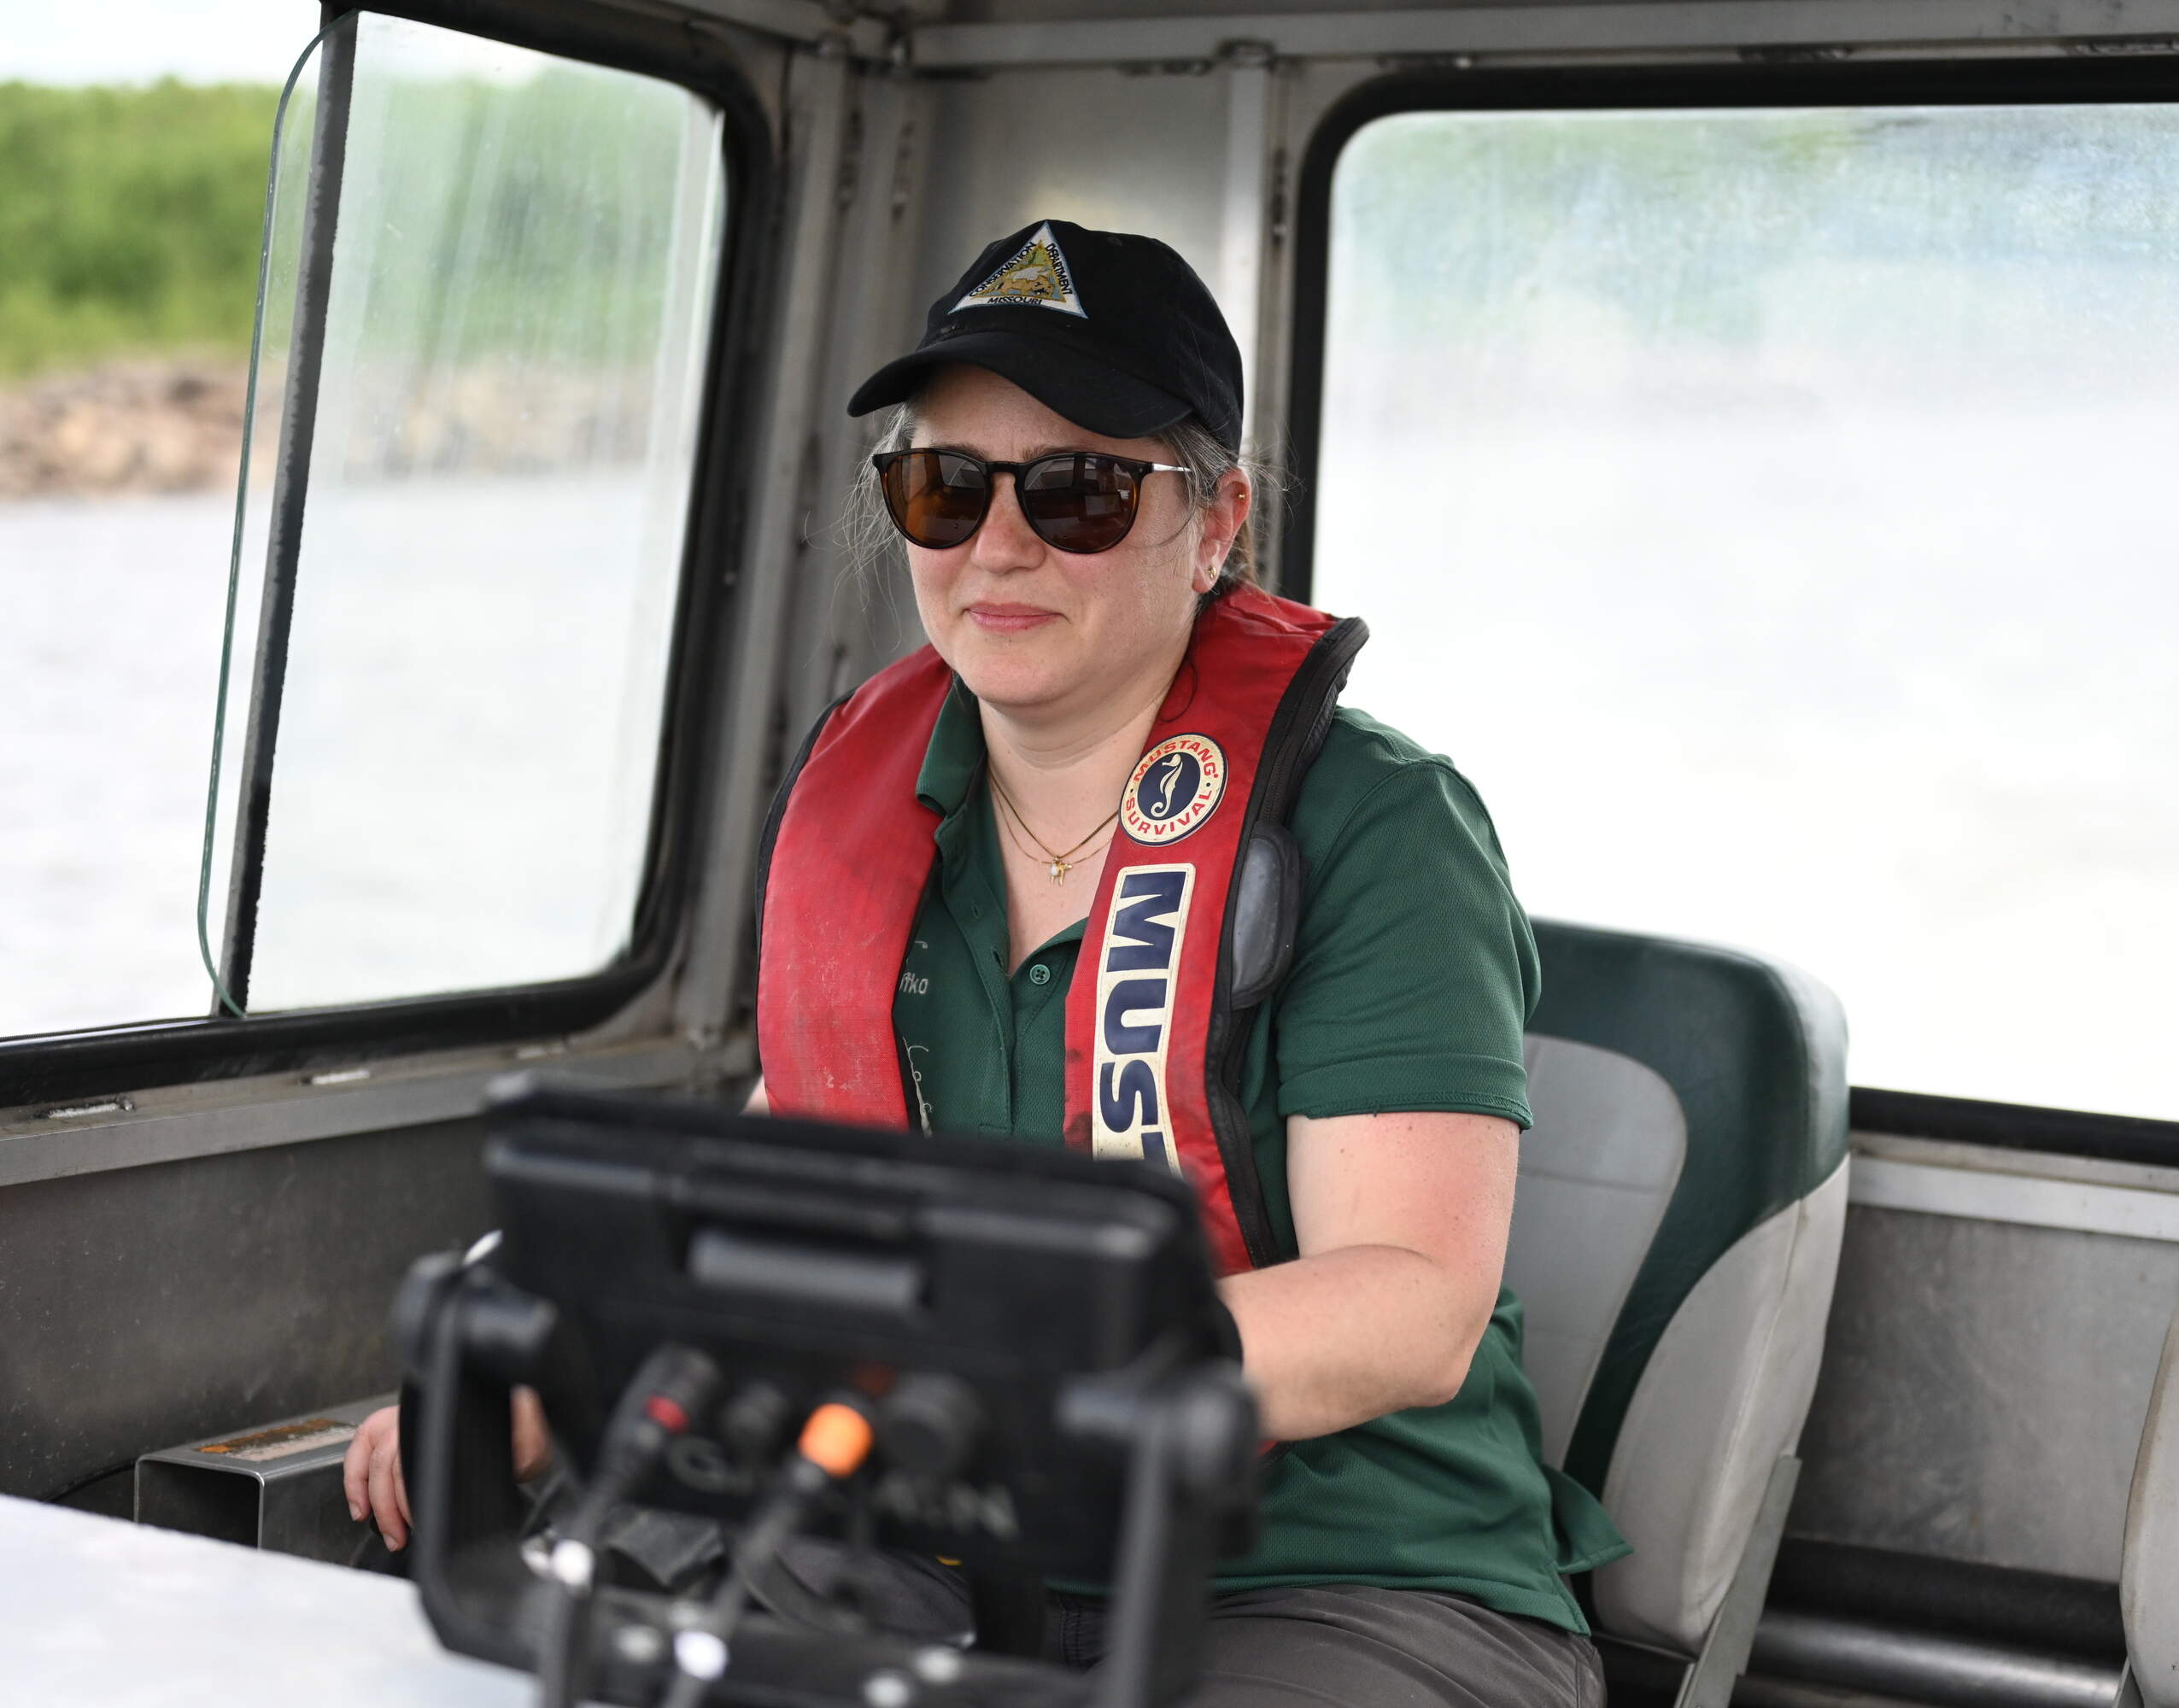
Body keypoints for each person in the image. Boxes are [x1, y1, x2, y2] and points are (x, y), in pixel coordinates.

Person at [350, 218, 1623, 1705]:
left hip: (1330, 1573)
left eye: (1080, 492)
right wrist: (567, 1354)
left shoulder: (1380, 825)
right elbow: (808, 1153)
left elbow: (1410, 1302)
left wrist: (985, 1379)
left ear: (1217, 526)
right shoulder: (866, 802)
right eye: (943, 489)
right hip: (905, 1535)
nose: (998, 546)